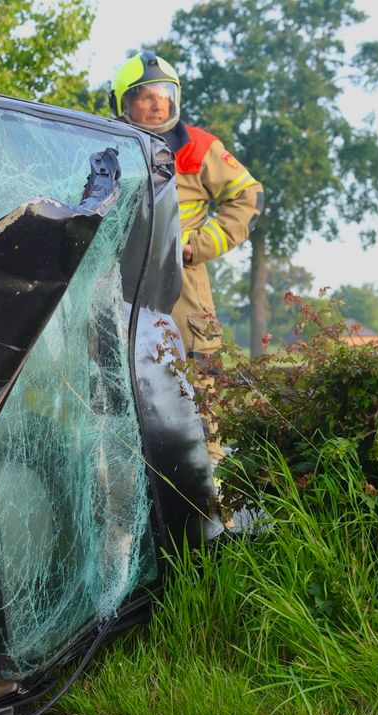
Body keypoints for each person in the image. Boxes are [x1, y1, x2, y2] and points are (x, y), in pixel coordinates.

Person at [111, 50, 264, 463]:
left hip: (185, 296)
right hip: (115, 291)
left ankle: (213, 514)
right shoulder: (105, 143)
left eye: (163, 93)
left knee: (202, 406)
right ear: (123, 103)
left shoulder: (200, 147)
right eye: (145, 94)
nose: (157, 101)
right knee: (117, 398)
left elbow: (249, 196)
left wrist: (201, 245)